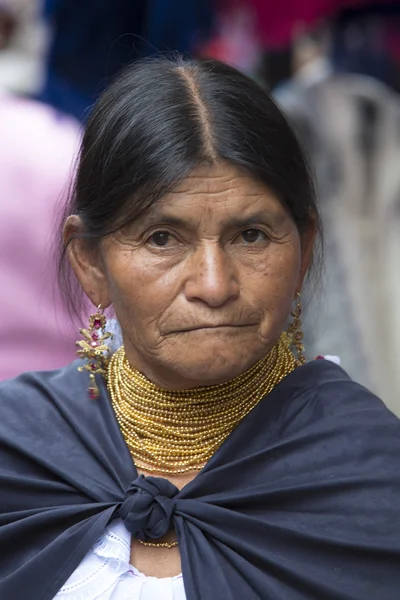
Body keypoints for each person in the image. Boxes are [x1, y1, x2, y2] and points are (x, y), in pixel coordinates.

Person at [0, 56, 399, 600]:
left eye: (251, 235)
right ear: (91, 263)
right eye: (163, 238)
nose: (214, 285)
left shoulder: (371, 476)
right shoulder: (17, 447)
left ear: (304, 248)